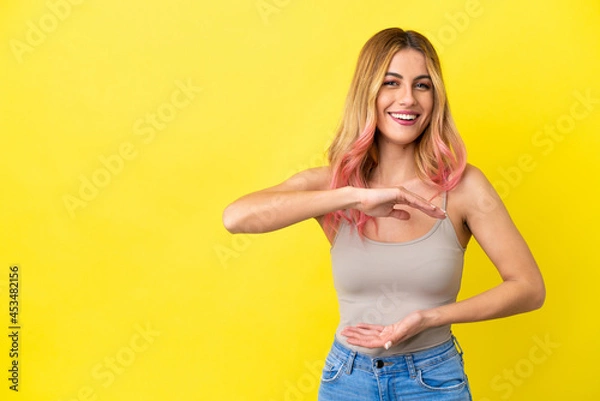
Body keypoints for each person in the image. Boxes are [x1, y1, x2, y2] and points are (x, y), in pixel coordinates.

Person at [222, 27, 545, 401]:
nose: (408, 99)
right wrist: (353, 197)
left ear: (435, 97)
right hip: (347, 379)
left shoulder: (463, 186)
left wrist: (431, 317)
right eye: (392, 83)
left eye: (422, 85)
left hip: (432, 379)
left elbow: (528, 288)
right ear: (368, 93)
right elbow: (236, 217)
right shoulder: (334, 188)